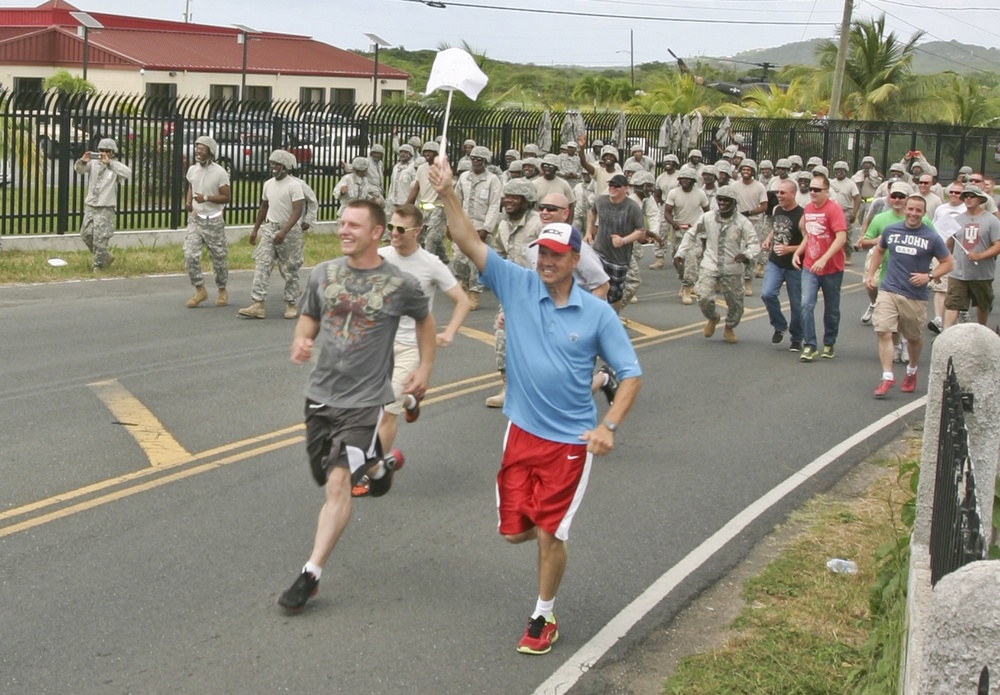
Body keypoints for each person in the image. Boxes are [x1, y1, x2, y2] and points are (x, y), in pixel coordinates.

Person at [428, 154, 641, 657]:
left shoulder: (596, 314)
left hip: (569, 442)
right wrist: (447, 193)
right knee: (513, 533)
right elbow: (467, 240)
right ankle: (544, 545)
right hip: (520, 431)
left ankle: (543, 615)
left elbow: (630, 374)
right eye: (541, 253)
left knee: (549, 532)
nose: (545, 261)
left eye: (555, 255)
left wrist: (608, 424)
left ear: (575, 261)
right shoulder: (518, 285)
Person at [277, 199, 435, 613]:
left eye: (354, 225)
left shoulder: (399, 284)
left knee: (337, 484)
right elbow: (310, 315)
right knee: (323, 472)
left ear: (377, 232)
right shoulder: (323, 273)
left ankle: (310, 574)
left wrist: (426, 366)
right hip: (320, 395)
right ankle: (380, 466)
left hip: (364, 402)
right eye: (342, 223)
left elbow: (425, 319)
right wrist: (301, 337)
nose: (343, 230)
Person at [352, 203, 471, 497]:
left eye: (400, 229)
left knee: (386, 408)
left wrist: (450, 331)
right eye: (391, 227)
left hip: (411, 346)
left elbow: (463, 300)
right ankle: (411, 402)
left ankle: (375, 469)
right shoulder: (380, 257)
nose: (393, 233)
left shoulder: (430, 264)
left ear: (417, 232)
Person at [866, 195, 952, 398]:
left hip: (914, 295)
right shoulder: (891, 230)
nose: (913, 213)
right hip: (889, 289)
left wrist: (929, 276)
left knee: (913, 337)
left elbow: (948, 262)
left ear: (923, 213)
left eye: (918, 210)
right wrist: (871, 274)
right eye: (910, 209)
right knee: (883, 331)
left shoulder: (931, 237)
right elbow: (879, 250)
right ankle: (887, 376)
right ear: (905, 209)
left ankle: (911, 371)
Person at [675, 185, 759, 343]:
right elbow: (691, 234)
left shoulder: (742, 222)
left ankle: (730, 326)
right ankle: (713, 318)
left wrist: (747, 254)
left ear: (734, 203)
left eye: (726, 200)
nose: (722, 203)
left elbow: (754, 243)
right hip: (710, 264)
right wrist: (681, 253)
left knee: (736, 304)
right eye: (720, 199)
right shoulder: (707, 218)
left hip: (732, 266)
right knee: (703, 296)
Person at [486, 179, 544, 408]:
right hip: (511, 293)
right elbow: (498, 252)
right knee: (502, 336)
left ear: (526, 201)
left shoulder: (538, 224)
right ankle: (509, 386)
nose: (508, 201)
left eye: (514, 197)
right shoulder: (502, 225)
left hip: (538, 292)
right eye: (506, 196)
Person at [239, 150, 305, 320]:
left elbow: (298, 210)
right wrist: (255, 229)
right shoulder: (268, 184)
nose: (273, 168)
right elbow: (264, 206)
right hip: (270, 228)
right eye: (272, 164)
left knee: (290, 269)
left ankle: (291, 303)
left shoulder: (294, 185)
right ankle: (258, 304)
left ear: (286, 167)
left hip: (289, 231)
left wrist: (284, 231)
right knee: (262, 263)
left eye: (277, 165)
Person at [792, 173, 848, 362]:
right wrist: (798, 252)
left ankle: (829, 342)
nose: (812, 193)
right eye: (810, 189)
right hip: (810, 266)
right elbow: (810, 235)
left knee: (832, 309)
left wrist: (824, 259)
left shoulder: (834, 210)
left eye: (817, 190)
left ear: (827, 191)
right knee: (806, 305)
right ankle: (810, 345)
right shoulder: (808, 208)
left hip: (832, 268)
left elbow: (841, 238)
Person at [586, 173, 646, 313]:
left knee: (614, 295)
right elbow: (592, 212)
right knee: (596, 287)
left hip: (619, 258)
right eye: (610, 185)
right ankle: (596, 319)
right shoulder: (601, 201)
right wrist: (589, 232)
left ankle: (614, 318)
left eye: (616, 186)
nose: (612, 188)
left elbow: (641, 232)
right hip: (599, 252)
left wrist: (623, 240)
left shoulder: (632, 207)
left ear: (625, 189)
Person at [183, 135, 231, 308]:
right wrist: (189, 202)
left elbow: (226, 197)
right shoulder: (192, 170)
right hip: (196, 220)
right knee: (190, 255)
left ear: (210, 152)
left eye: (202, 149)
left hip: (214, 221)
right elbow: (191, 187)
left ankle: (222, 289)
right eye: (197, 148)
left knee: (218, 258)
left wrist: (206, 198)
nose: (198, 152)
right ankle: (200, 289)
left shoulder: (220, 172)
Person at [943, 185, 1000, 328]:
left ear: (980, 199)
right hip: (958, 273)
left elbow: (998, 246)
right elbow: (949, 243)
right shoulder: (956, 219)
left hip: (982, 274)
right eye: (966, 196)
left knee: (982, 305)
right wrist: (944, 263)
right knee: (952, 305)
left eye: (972, 196)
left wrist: (980, 256)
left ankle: (982, 331)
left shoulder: (992, 221)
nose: (968, 198)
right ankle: (946, 335)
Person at [454, 146, 502, 311]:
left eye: (479, 159)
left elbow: (494, 205)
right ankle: (464, 287)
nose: (475, 162)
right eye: (473, 158)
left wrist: (487, 228)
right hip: (463, 227)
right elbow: (456, 201)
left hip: (480, 227)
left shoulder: (492, 180)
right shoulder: (463, 177)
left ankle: (474, 294)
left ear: (486, 162)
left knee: (477, 263)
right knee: (459, 260)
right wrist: (451, 223)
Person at [75, 138, 132, 270]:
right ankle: (105, 256)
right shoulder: (93, 164)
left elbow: (127, 173)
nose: (104, 153)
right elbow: (79, 170)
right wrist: (83, 161)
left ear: (113, 152)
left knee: (100, 239)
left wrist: (110, 164)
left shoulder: (115, 167)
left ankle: (98, 266)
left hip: (105, 207)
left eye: (107, 151)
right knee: (86, 234)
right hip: (91, 205)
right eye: (101, 151)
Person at [760, 179, 804, 350]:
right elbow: (776, 227)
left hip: (795, 265)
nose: (779, 196)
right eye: (778, 192)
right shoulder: (777, 209)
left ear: (793, 194)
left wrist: (789, 249)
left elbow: (809, 242)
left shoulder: (802, 216)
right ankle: (779, 326)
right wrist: (768, 239)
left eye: (783, 193)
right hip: (775, 262)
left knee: (797, 303)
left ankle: (797, 337)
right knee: (767, 294)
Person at [664, 166, 710, 302]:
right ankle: (683, 280)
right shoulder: (673, 193)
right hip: (677, 230)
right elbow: (667, 212)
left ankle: (687, 289)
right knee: (677, 258)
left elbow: (707, 211)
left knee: (691, 259)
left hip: (693, 232)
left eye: (688, 179)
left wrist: (703, 227)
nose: (684, 181)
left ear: (693, 181)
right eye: (682, 178)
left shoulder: (700, 194)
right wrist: (673, 223)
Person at [927, 181, 967, 332]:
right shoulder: (941, 209)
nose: (954, 195)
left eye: (957, 193)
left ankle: (959, 315)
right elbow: (934, 228)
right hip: (942, 252)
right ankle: (938, 318)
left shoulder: (965, 210)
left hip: (960, 253)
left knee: (956, 287)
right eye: (951, 192)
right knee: (940, 287)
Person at [407, 142, 449, 265]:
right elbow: (416, 188)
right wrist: (406, 206)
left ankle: (426, 267)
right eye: (425, 151)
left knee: (430, 240)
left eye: (430, 151)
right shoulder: (421, 168)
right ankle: (444, 259)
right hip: (423, 208)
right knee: (420, 237)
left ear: (436, 153)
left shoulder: (442, 169)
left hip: (437, 208)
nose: (427, 153)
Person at [385, 143, 416, 219]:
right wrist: (389, 198)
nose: (403, 154)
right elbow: (392, 184)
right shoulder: (396, 166)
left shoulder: (413, 167)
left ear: (410, 154)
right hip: (393, 200)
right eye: (401, 152)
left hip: (405, 201)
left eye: (405, 152)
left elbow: (415, 185)